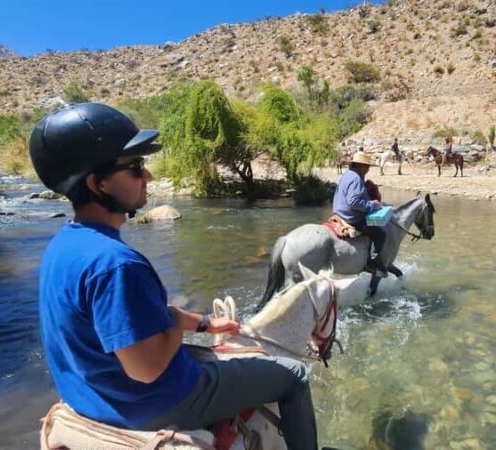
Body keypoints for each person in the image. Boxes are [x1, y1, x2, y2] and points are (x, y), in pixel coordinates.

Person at [30, 103, 318, 449]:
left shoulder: (63, 245)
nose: (148, 177)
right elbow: (146, 369)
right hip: (152, 403)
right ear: (97, 183)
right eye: (136, 168)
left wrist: (202, 324)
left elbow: (138, 316)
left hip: (93, 396)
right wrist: (174, 330)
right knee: (295, 375)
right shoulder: (117, 264)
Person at [332, 151, 388, 278]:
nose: (368, 169)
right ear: (361, 166)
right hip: (351, 217)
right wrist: (372, 204)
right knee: (380, 234)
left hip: (339, 212)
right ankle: (372, 262)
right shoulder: (356, 179)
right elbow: (353, 202)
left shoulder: (347, 175)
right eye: (367, 166)